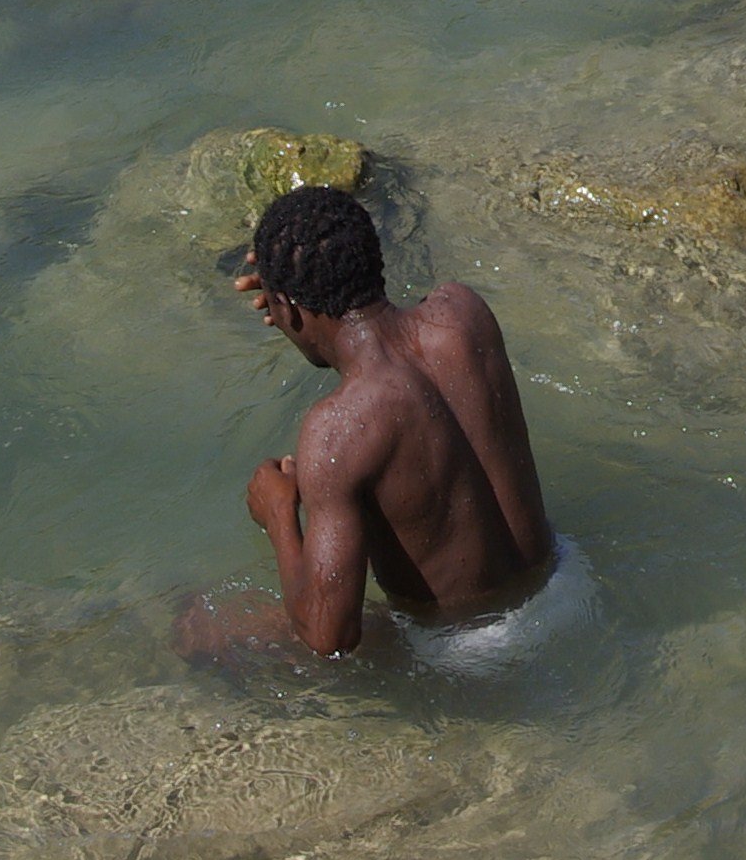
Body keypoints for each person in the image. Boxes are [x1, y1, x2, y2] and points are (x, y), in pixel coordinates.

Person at [225, 182, 555, 657]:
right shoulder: (463, 313)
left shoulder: (338, 427)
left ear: (289, 311)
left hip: (465, 655)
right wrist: (291, 294)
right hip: (560, 582)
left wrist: (277, 513)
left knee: (197, 627)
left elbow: (328, 637)